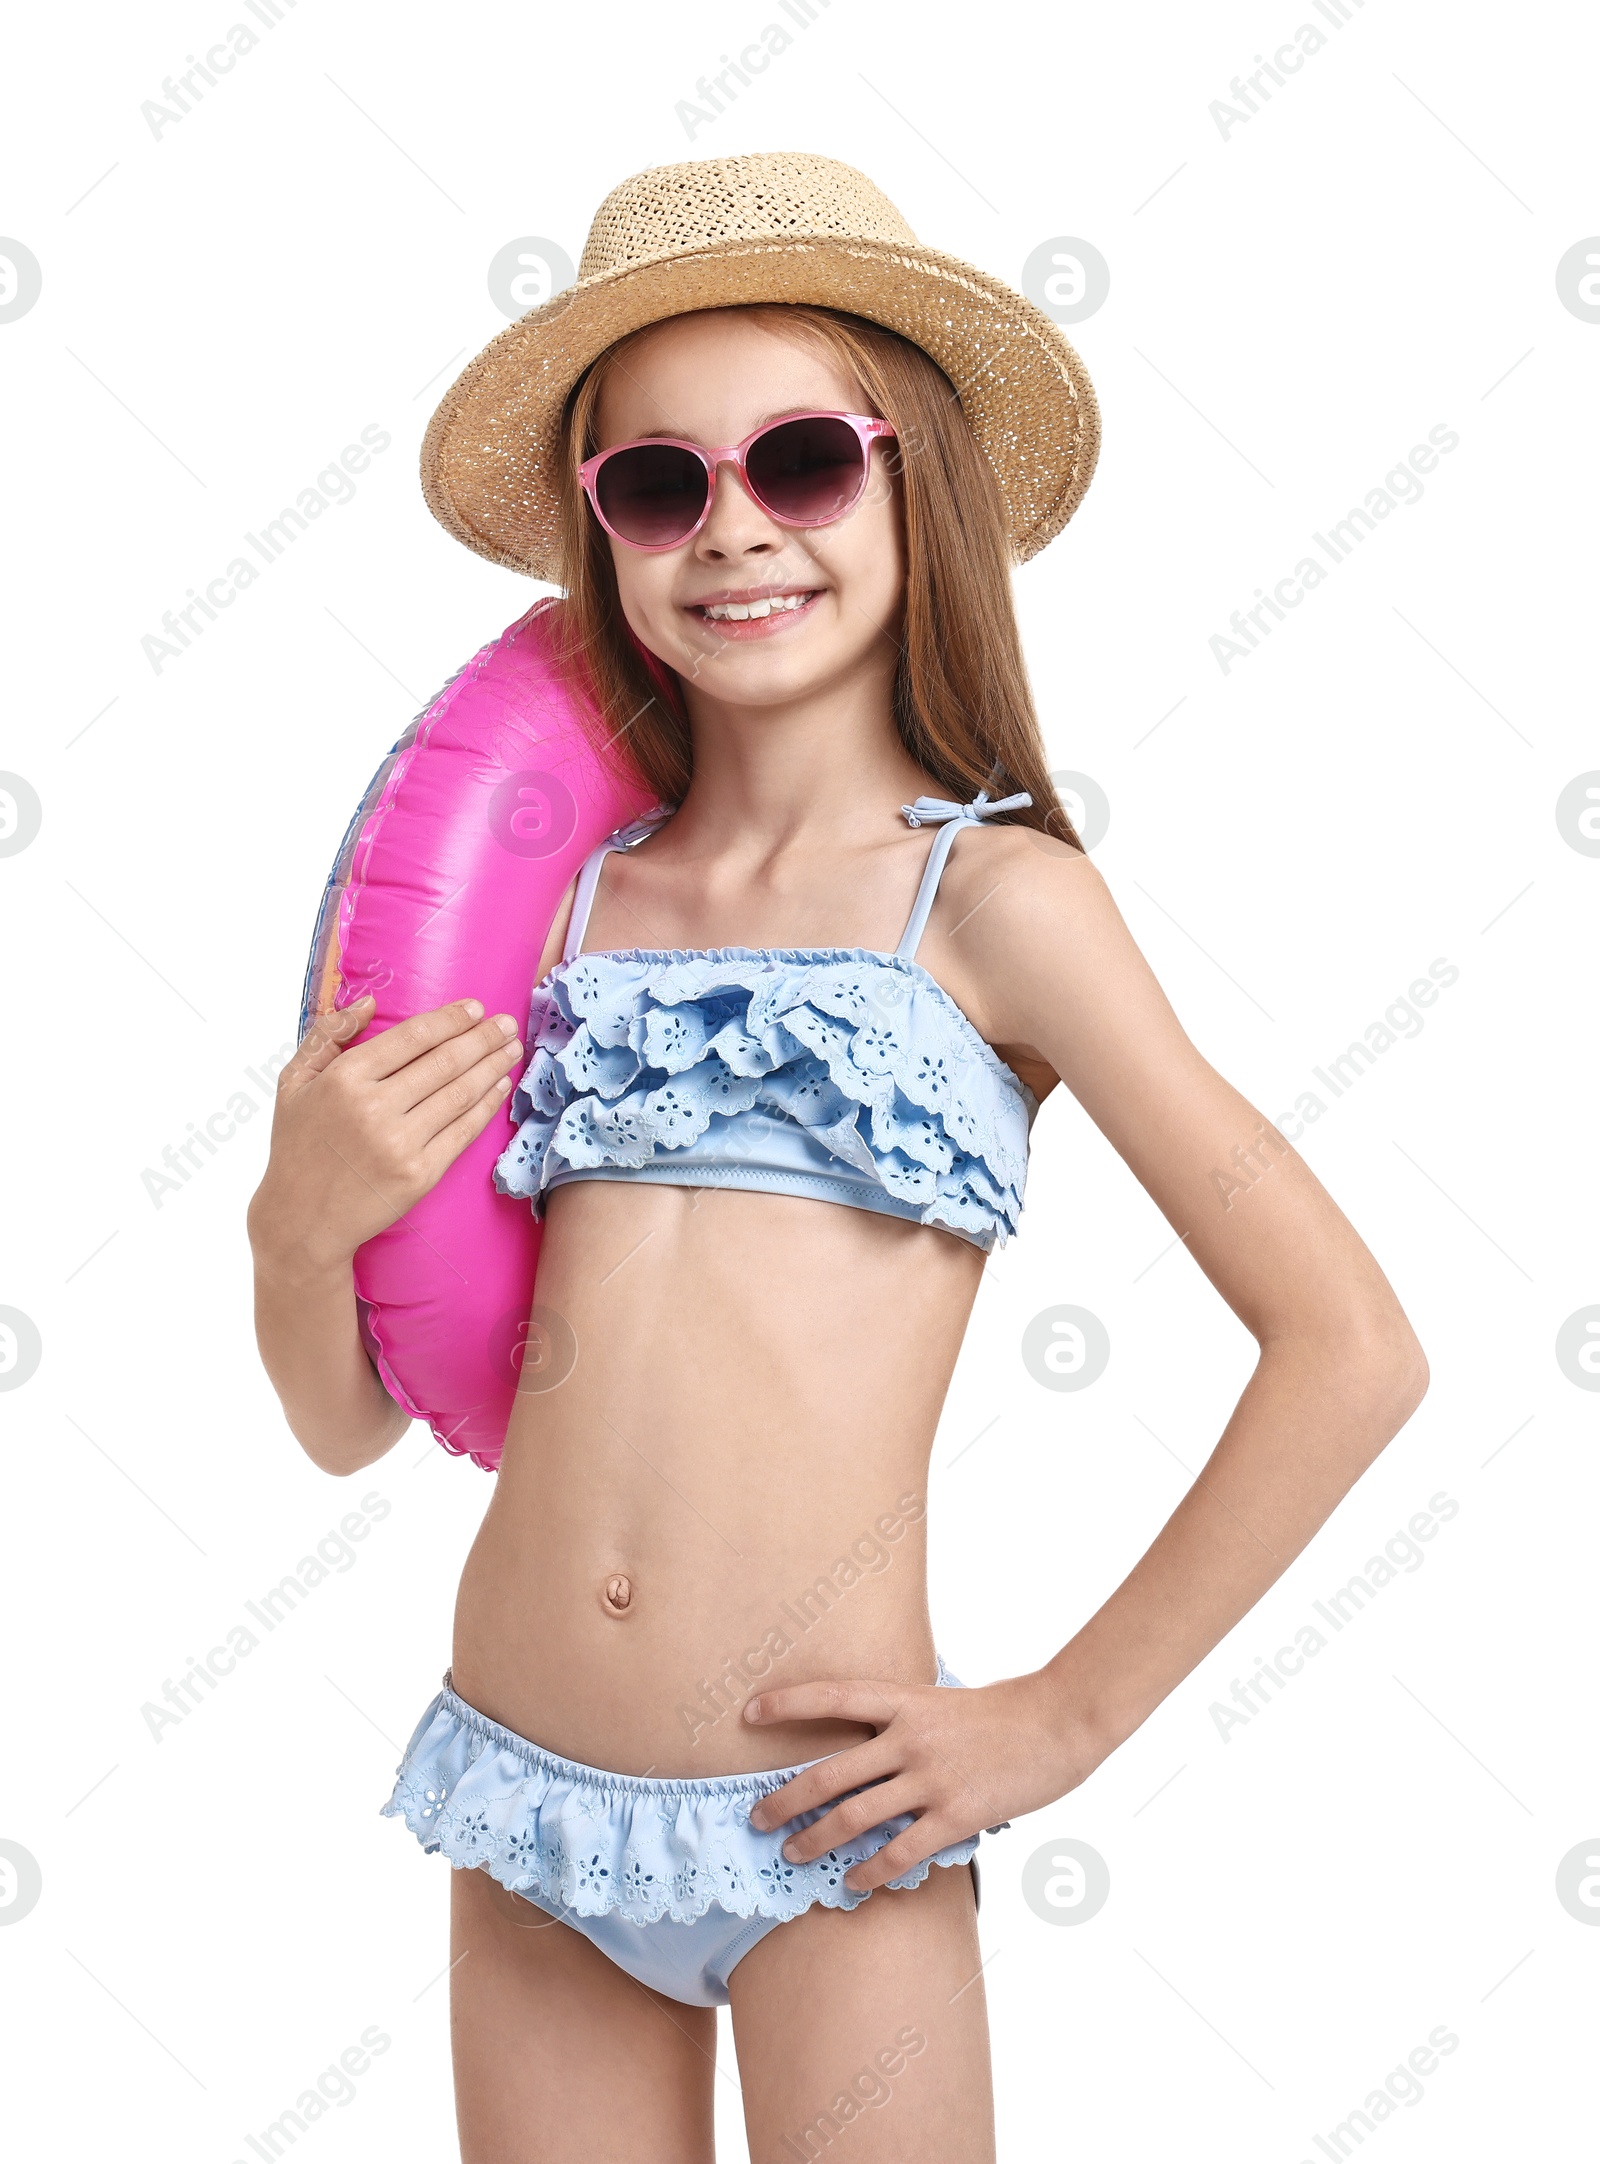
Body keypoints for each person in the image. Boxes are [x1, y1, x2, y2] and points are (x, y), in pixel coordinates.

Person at [248, 153, 1428, 2163]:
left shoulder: (996, 906)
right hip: (523, 1796)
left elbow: (1348, 1343)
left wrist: (1056, 1716)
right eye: (657, 486)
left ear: (912, 486)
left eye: (800, 461)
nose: (733, 533)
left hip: (825, 1822)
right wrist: (294, 1227)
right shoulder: (564, 903)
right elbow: (344, 1428)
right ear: (604, 536)